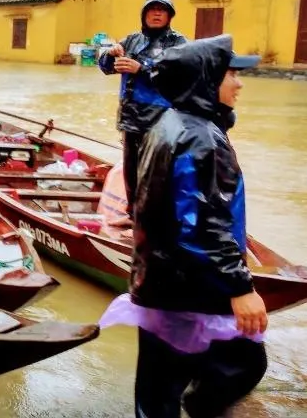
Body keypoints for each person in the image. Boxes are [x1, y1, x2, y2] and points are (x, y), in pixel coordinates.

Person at [100, 35, 267, 418]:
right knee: (245, 361)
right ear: (206, 79)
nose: (239, 84)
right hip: (190, 288)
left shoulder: (163, 125)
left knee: (156, 390)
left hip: (156, 281)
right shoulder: (202, 139)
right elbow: (201, 225)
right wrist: (240, 286)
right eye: (231, 75)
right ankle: (198, 405)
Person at [98, 0, 187, 225]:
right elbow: (106, 67)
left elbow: (180, 75)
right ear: (144, 13)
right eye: (152, 9)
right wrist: (109, 53)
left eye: (162, 10)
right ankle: (133, 215)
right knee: (131, 169)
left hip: (162, 119)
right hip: (130, 116)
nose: (157, 13)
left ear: (169, 15)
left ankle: (157, 220)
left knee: (158, 172)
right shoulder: (131, 40)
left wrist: (142, 68)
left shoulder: (178, 43)